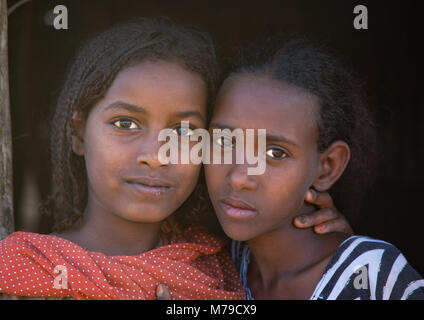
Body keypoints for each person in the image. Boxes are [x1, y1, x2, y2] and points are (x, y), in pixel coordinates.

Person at [0, 19, 350, 300]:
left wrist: (335, 249)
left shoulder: (217, 260)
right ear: (78, 133)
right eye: (125, 123)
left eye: (183, 132)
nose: (155, 156)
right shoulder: (26, 267)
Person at [204, 37, 424, 300]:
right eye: (223, 141)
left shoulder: (376, 279)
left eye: (275, 152)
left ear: (327, 168)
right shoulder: (211, 265)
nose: (239, 177)